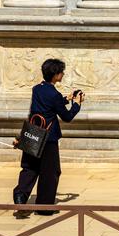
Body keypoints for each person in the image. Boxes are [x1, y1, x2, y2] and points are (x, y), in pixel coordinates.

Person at [12, 59, 84, 216]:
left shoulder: (37, 89)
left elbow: (48, 103)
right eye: (61, 72)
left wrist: (66, 98)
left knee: (29, 168)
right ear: (56, 75)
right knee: (50, 172)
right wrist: (77, 104)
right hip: (48, 138)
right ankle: (44, 207)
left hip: (32, 133)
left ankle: (20, 197)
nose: (63, 74)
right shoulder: (54, 94)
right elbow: (66, 116)